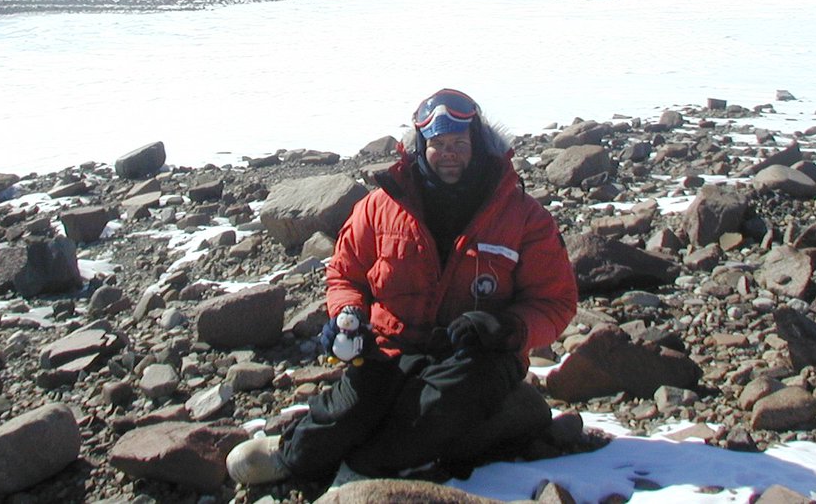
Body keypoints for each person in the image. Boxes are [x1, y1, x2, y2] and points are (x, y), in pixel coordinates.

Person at [227, 89, 579, 487]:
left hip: (479, 356)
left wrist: (508, 328)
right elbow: (346, 275)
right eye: (439, 144)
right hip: (394, 345)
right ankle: (295, 456)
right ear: (421, 146)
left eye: (459, 144)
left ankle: (363, 474)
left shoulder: (521, 215)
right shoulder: (382, 206)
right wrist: (348, 315)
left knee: (437, 407)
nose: (449, 153)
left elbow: (556, 300)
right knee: (354, 406)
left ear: (477, 145)